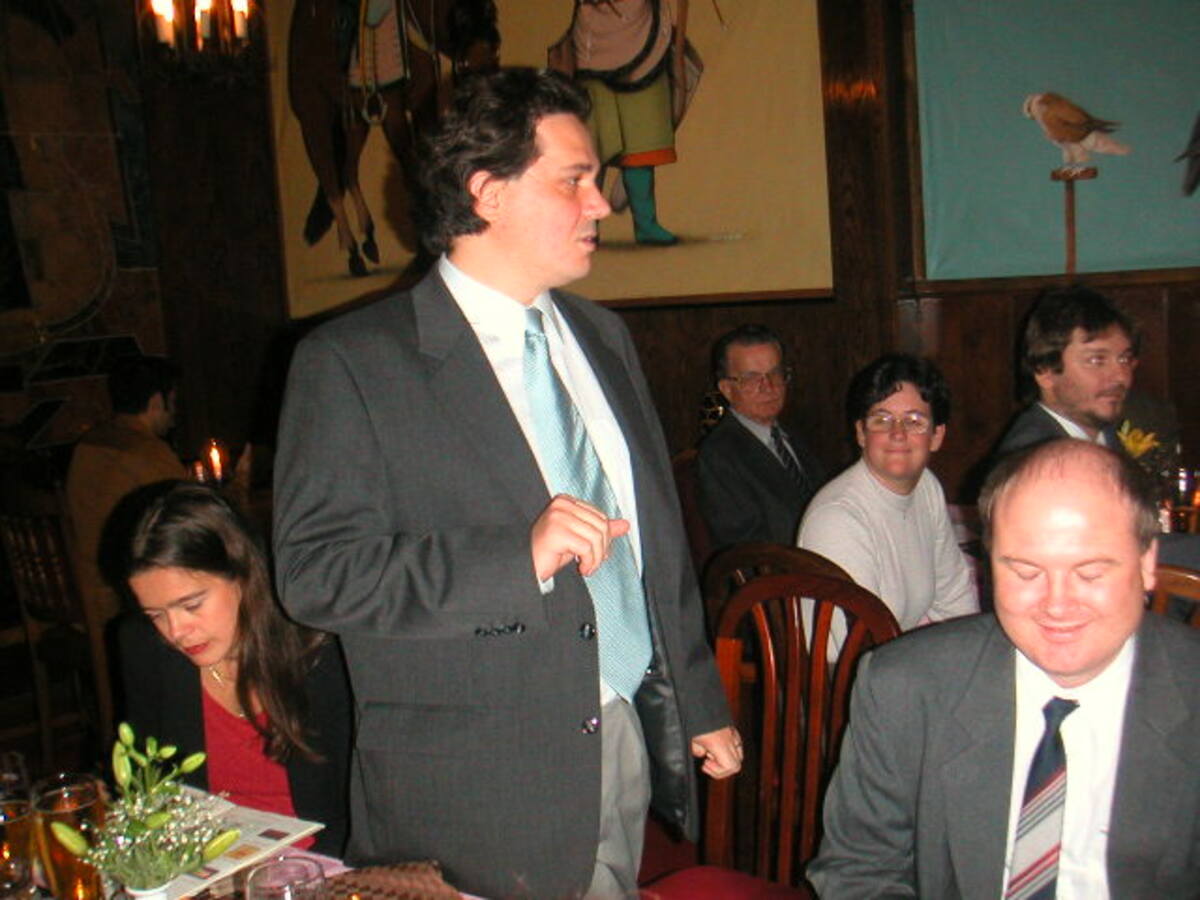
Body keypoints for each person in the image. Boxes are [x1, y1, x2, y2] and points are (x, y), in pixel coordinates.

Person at [272, 67, 738, 898]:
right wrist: (515, 558)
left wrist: (696, 696)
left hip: (619, 727)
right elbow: (316, 574)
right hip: (471, 789)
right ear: (487, 192)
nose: (600, 204)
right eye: (574, 180)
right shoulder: (353, 361)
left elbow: (655, 536)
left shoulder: (602, 336)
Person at [807, 439, 1200, 897]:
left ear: (1147, 563)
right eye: (1026, 572)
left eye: (1090, 572)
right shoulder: (905, 687)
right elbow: (859, 871)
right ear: (989, 566)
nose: (1057, 604)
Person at [117, 482, 351, 856]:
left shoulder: (321, 654)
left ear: (242, 574)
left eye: (191, 605)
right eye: (156, 614)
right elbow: (151, 786)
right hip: (205, 860)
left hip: (315, 862)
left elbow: (356, 809)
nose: (176, 631)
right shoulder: (148, 650)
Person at [797, 354, 977, 636]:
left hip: (895, 650)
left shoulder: (926, 487)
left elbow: (953, 596)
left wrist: (973, 650)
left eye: (914, 421)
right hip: (854, 661)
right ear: (861, 433)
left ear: (937, 435)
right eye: (882, 420)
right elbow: (861, 644)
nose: (898, 433)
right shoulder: (838, 519)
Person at [551, 0, 687, 245]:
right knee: (593, 149)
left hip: (643, 40)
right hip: (594, 45)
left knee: (641, 146)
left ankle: (646, 224)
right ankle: (586, 225)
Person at [66, 355, 187, 625]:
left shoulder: (87, 445)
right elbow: (195, 516)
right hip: (119, 600)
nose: (175, 412)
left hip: (76, 590)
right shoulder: (146, 452)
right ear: (157, 402)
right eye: (174, 401)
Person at [697, 324, 824, 548]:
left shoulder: (796, 436)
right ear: (727, 389)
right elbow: (746, 546)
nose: (768, 386)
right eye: (751, 378)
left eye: (775, 373)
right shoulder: (719, 455)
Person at [996, 285, 1137, 455]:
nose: (1121, 376)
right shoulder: (1036, 457)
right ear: (1045, 372)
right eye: (1096, 360)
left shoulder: (1108, 436)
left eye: (1124, 359)